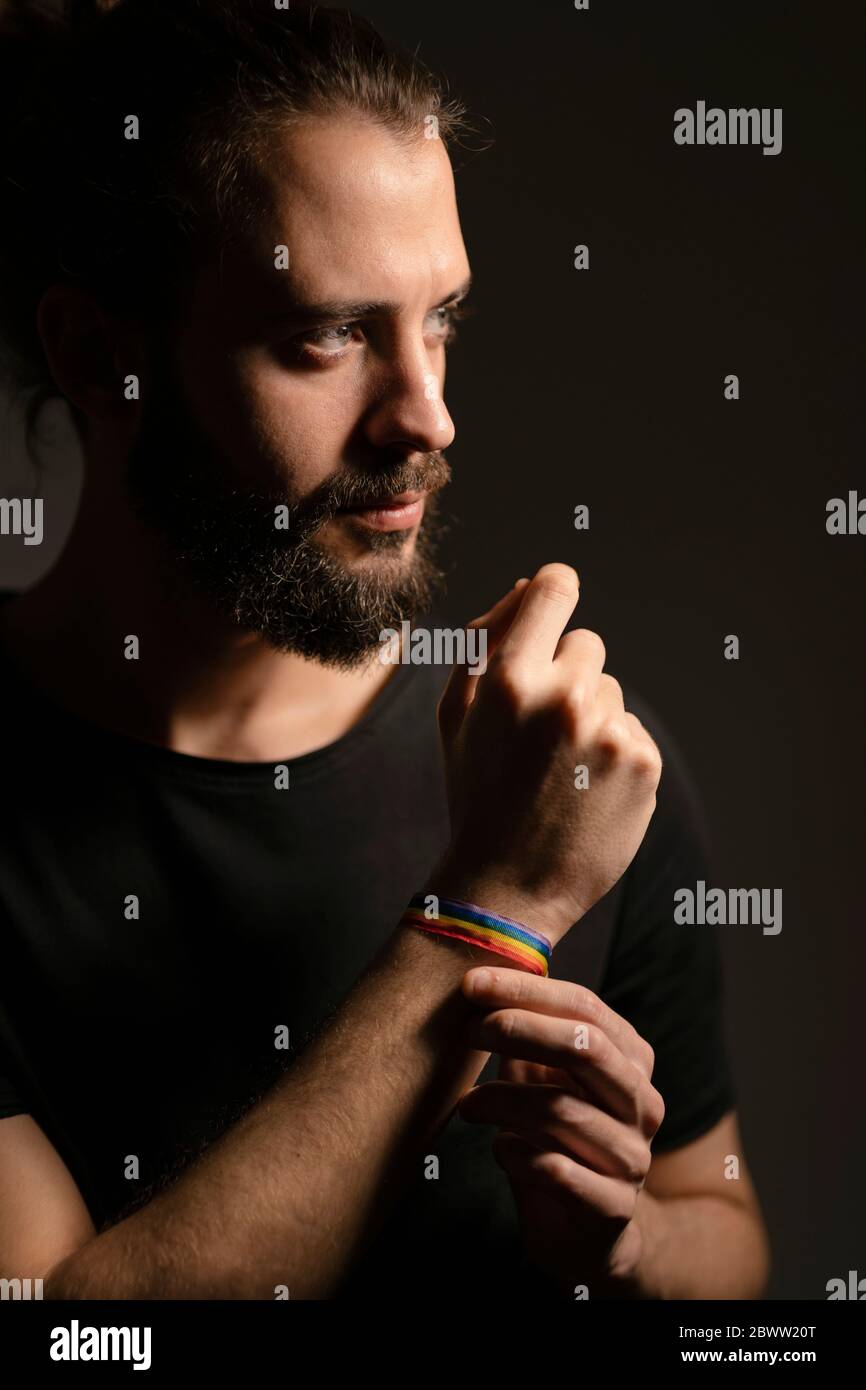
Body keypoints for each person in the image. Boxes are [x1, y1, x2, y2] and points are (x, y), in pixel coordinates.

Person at [0, 0, 769, 1300]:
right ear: (98, 355)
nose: (428, 415)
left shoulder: (557, 755)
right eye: (329, 336)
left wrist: (622, 1240)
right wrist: (491, 913)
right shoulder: (528, 826)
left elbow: (725, 1230)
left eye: (442, 318)